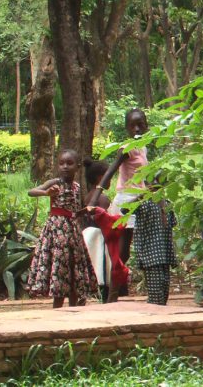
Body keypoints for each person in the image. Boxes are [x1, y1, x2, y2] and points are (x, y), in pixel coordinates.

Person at [89, 108, 149, 294]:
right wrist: (94, 199)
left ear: (147, 126)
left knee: (130, 250)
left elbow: (144, 176)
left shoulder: (144, 147)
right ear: (127, 128)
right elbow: (110, 172)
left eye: (140, 125)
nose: (137, 129)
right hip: (126, 202)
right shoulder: (126, 149)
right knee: (122, 251)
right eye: (133, 126)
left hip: (141, 200)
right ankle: (113, 292)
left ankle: (121, 288)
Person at [27, 149, 98, 308]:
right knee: (58, 267)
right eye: (61, 163)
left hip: (72, 232)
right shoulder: (55, 183)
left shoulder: (77, 187)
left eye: (69, 163)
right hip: (56, 231)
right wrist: (46, 193)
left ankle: (74, 308)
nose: (65, 166)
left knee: (74, 268)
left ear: (77, 166)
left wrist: (86, 211)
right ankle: (57, 308)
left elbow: (74, 210)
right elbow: (31, 192)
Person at [83, 159, 128, 303]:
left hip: (89, 237)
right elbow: (105, 220)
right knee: (104, 270)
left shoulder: (88, 196)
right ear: (99, 178)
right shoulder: (101, 198)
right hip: (101, 239)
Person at [132, 178, 176, 305]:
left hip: (165, 254)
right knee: (156, 295)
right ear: (146, 185)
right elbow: (125, 210)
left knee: (164, 290)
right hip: (150, 254)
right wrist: (142, 195)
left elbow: (171, 225)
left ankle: (160, 318)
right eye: (151, 182)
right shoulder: (143, 204)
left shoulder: (168, 204)